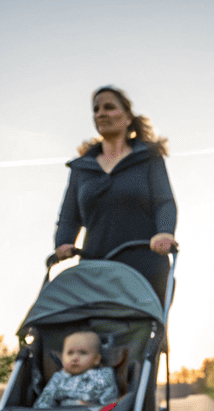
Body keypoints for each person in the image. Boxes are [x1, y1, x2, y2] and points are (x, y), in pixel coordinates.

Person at [54, 85, 177, 304]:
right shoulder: (82, 168)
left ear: (128, 117)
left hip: (144, 266)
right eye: (96, 109)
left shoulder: (148, 158)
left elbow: (164, 202)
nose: (100, 113)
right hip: (94, 267)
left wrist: (165, 232)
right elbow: (69, 216)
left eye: (109, 107)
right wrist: (63, 242)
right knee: (82, 335)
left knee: (140, 335)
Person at [34, 331, 119, 408]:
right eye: (70, 353)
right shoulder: (58, 378)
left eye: (82, 353)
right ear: (62, 358)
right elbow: (44, 402)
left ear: (96, 359)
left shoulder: (103, 375)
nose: (75, 358)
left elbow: (110, 402)